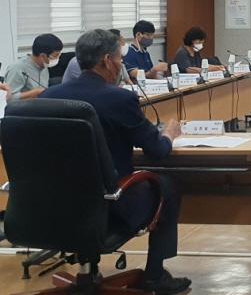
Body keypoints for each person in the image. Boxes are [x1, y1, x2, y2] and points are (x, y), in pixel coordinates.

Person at [41, 29, 190, 294]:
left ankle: (88, 272)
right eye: (120, 60)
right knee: (168, 186)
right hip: (109, 203)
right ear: (108, 61)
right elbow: (157, 151)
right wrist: (168, 134)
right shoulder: (119, 99)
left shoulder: (48, 98)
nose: (121, 65)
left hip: (50, 205)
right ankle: (155, 275)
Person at [4, 33, 63, 102]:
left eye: (59, 55)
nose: (57, 58)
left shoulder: (44, 65)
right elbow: (9, 98)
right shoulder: (17, 68)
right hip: (23, 108)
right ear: (43, 56)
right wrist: (34, 93)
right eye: (55, 56)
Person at [63, 29, 133, 86]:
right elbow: (94, 88)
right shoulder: (78, 63)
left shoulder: (116, 62)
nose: (124, 45)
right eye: (122, 43)